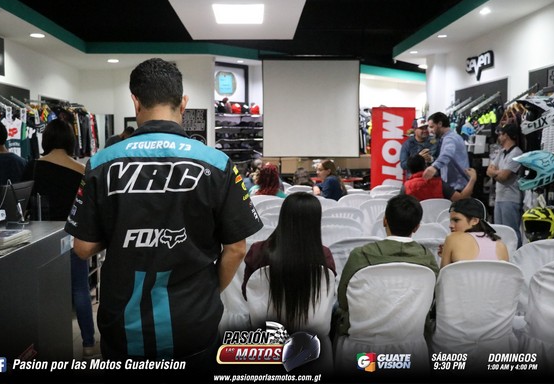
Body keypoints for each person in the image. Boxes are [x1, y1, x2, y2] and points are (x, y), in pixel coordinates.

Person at [64, 58, 263, 365]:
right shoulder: (217, 163)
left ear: (135, 101)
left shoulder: (101, 163)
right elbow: (236, 248)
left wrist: (119, 229)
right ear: (183, 103)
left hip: (124, 325)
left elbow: (83, 247)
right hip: (194, 320)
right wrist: (210, 290)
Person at [21, 118, 98, 358]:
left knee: (43, 292)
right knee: (80, 289)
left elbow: (22, 204)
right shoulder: (81, 169)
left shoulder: (32, 167)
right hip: (73, 234)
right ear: (71, 140)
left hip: (39, 237)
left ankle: (45, 343)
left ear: (45, 140)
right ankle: (88, 343)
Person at [336, 194, 439, 337]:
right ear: (416, 227)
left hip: (362, 343)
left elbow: (343, 301)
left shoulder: (360, 256)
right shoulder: (428, 259)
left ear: (384, 221)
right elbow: (432, 299)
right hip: (412, 342)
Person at [241, 192, 336, 331]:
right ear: (316, 221)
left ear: (283, 216)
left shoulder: (258, 251)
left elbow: (247, 293)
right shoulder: (324, 255)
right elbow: (329, 297)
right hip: (312, 334)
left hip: (266, 332)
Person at [440, 197, 509, 268]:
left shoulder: (452, 238)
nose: (450, 225)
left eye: (456, 220)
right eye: (451, 221)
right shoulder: (501, 245)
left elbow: (443, 274)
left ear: (475, 221)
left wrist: (447, 254)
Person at [485, 123, 523, 248]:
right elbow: (489, 170)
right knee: (500, 232)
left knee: (511, 232)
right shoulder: (502, 152)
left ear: (506, 135)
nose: (499, 137)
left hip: (511, 198)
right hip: (500, 198)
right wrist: (498, 173)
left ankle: (516, 255)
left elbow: (504, 176)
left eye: (500, 134)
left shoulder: (517, 153)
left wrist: (495, 173)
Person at [423, 112, 470, 191]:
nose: (430, 131)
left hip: (457, 186)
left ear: (440, 124)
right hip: (457, 184)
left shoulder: (450, 139)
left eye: (432, 127)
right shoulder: (452, 137)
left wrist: (434, 167)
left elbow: (447, 153)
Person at [401, 154, 477, 202]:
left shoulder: (406, 187)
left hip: (417, 221)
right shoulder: (439, 183)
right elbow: (461, 198)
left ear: (409, 170)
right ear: (425, 166)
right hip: (440, 221)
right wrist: (472, 179)